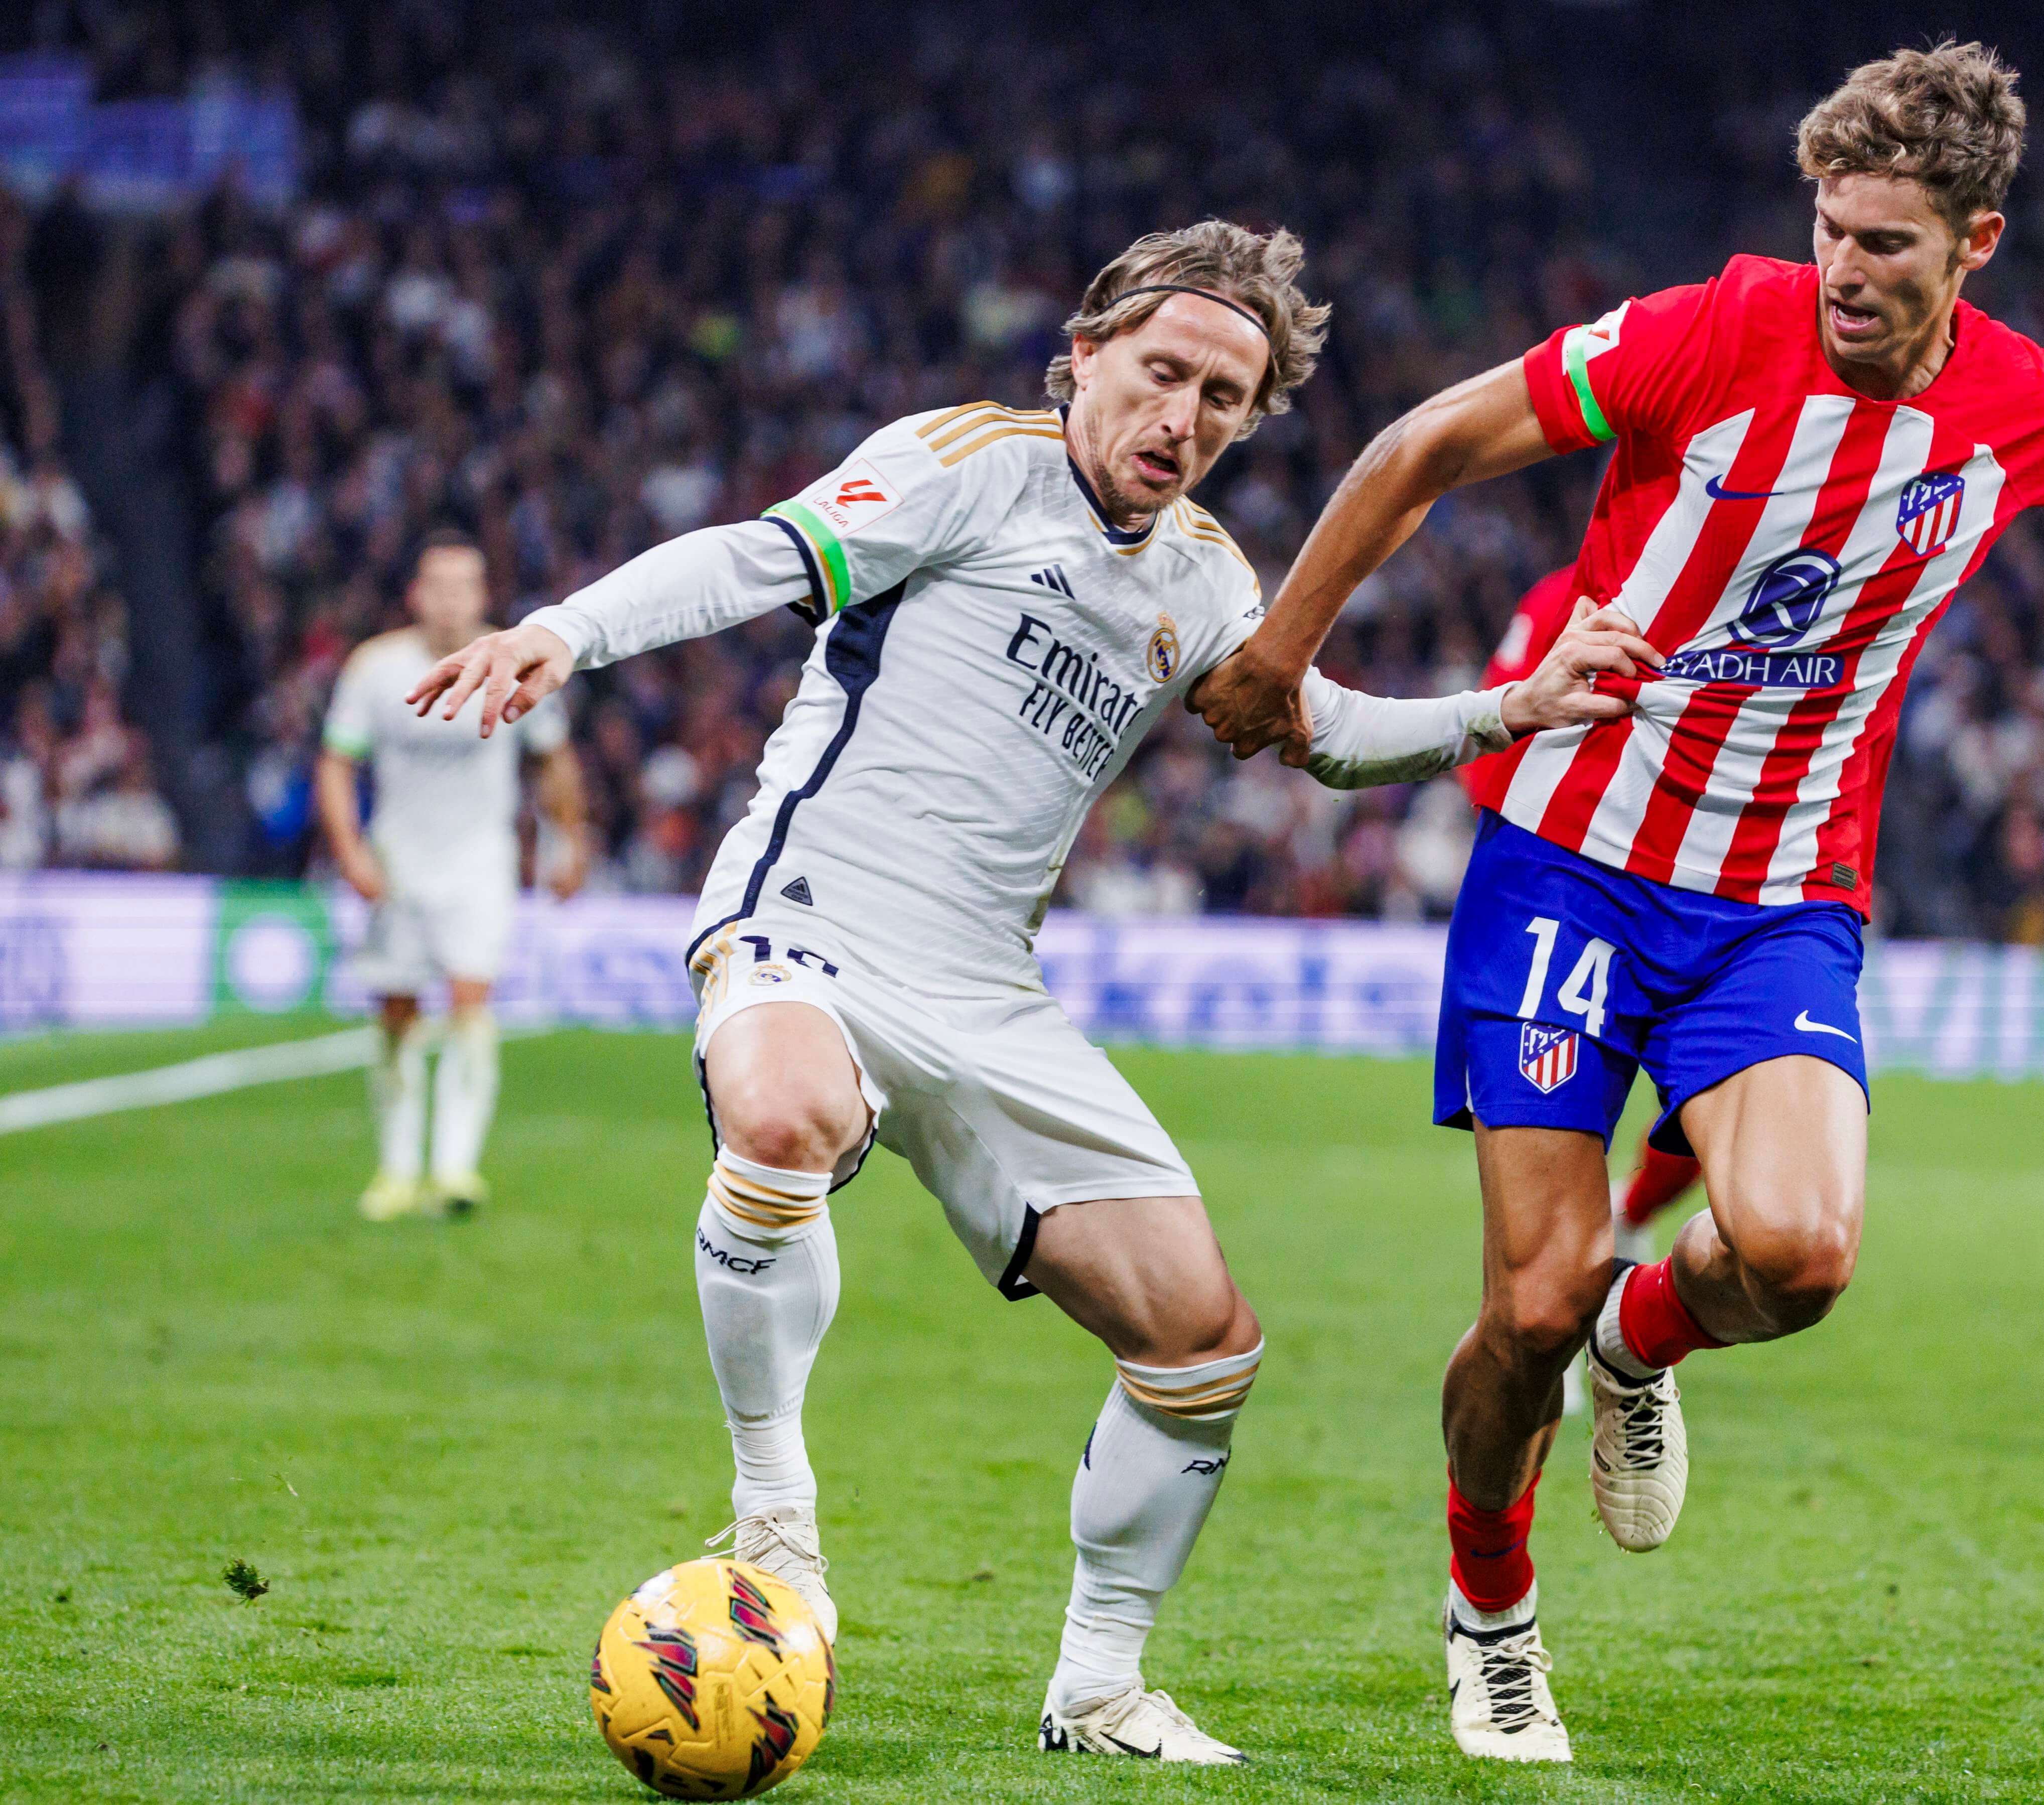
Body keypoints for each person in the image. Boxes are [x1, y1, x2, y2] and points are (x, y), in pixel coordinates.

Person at [1191, 44, 2044, 1762]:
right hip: (1567, 857)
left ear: (1971, 245)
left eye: (1888, 244)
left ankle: (1640, 1336)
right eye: (1831, 229)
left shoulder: (2023, 407)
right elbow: (1421, 445)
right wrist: (1277, 653)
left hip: (1776, 900)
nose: (1845, 268)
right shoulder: (1707, 328)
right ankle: (1490, 1613)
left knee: (1799, 1249)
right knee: (1518, 1304)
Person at [405, 221, 1651, 1765]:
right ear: (1081, 357)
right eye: (1161, 373)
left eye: (1223, 398)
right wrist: (560, 632)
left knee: (1202, 1339)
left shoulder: (1199, 575)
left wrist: (1509, 708)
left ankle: (1098, 1687)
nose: (1183, 417)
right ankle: (774, 1512)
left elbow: (1311, 724)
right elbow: (758, 548)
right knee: (786, 1111)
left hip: (988, 991)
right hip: (813, 916)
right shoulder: (963, 463)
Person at [1471, 565, 1707, 1439]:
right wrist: (1523, 834)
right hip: (1572, 894)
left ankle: (1631, 1224)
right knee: (1542, 1146)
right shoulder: (1562, 594)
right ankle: (1554, 1333)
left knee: (1712, 1140)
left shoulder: (1762, 589)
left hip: (1707, 906)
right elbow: (1497, 715)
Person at [317, 528, 588, 1221]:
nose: (449, 601)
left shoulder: (514, 661)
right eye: (437, 586)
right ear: (415, 594)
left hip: (479, 859)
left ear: (483, 595)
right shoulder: (374, 668)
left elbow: (553, 760)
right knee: (399, 1010)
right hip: (400, 860)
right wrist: (351, 849)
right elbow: (337, 763)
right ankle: (398, 1168)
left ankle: (455, 1167)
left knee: (471, 1001)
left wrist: (570, 840)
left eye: (463, 586)